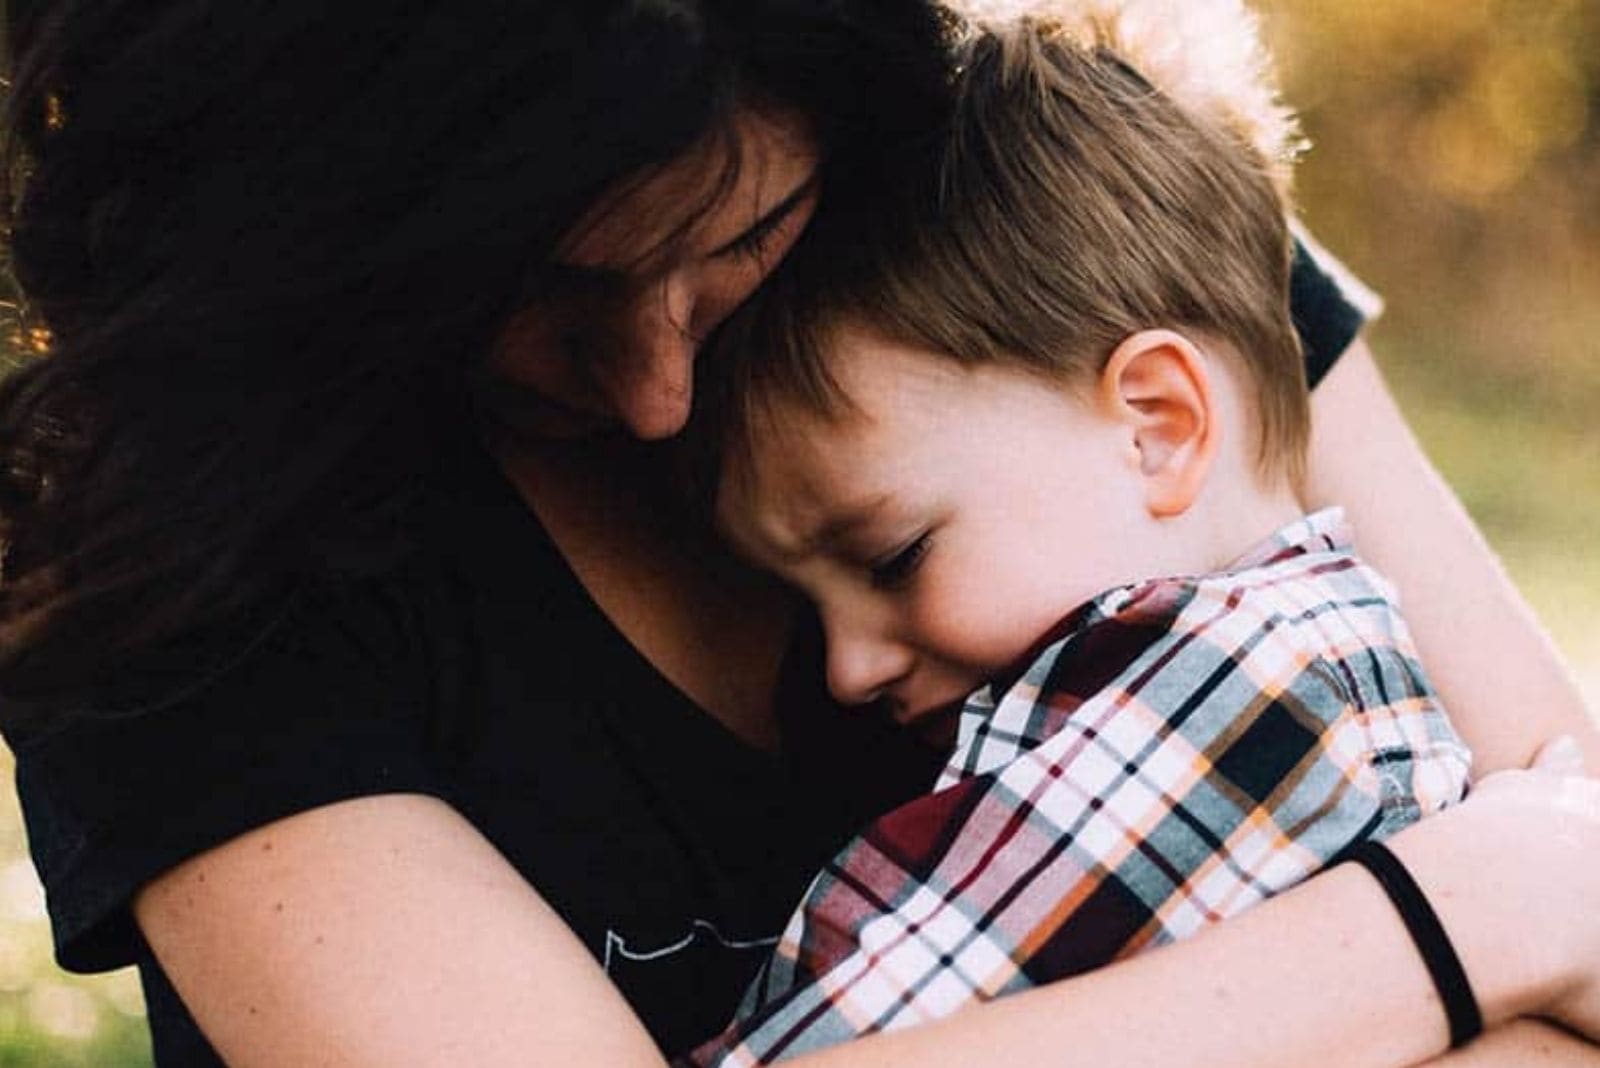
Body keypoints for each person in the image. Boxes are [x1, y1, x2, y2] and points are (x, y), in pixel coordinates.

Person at [0, 3, 1596, 1067]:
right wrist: (1453, 923)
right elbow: (1560, 883)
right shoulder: (151, 533)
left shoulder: (1052, 220)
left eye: (740, 239)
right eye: (532, 293)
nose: (652, 392)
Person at [688, 7, 1479, 1060]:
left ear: (1157, 427)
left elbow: (838, 1041)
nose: (844, 668)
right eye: (805, 599)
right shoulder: (1332, 653)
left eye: (892, 557)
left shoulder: (1231, 692)